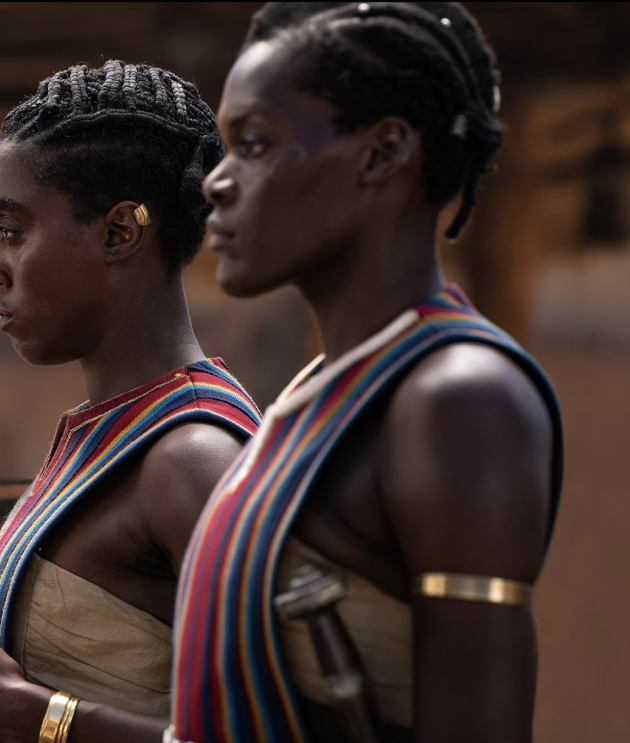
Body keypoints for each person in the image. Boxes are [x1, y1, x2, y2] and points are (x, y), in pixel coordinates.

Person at [170, 3, 564, 743]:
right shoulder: (311, 395)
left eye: (254, 144)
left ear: (382, 153)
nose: (216, 184)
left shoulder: (458, 398)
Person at [0, 61, 263, 743]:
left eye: (11, 230)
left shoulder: (194, 457)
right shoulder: (110, 436)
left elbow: (267, 730)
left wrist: (37, 718)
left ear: (118, 233)